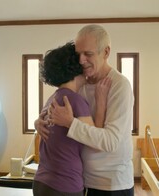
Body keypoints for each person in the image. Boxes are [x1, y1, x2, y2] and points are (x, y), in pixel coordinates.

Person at [35, 24, 135, 196]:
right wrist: (38, 122)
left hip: (112, 184)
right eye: (78, 54)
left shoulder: (120, 85)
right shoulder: (79, 83)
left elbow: (110, 142)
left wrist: (70, 123)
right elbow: (54, 110)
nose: (81, 60)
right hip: (82, 181)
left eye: (88, 54)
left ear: (106, 52)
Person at [32, 42, 110, 196]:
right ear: (76, 68)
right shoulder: (74, 100)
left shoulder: (51, 99)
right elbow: (95, 143)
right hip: (64, 186)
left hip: (41, 182)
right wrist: (101, 104)